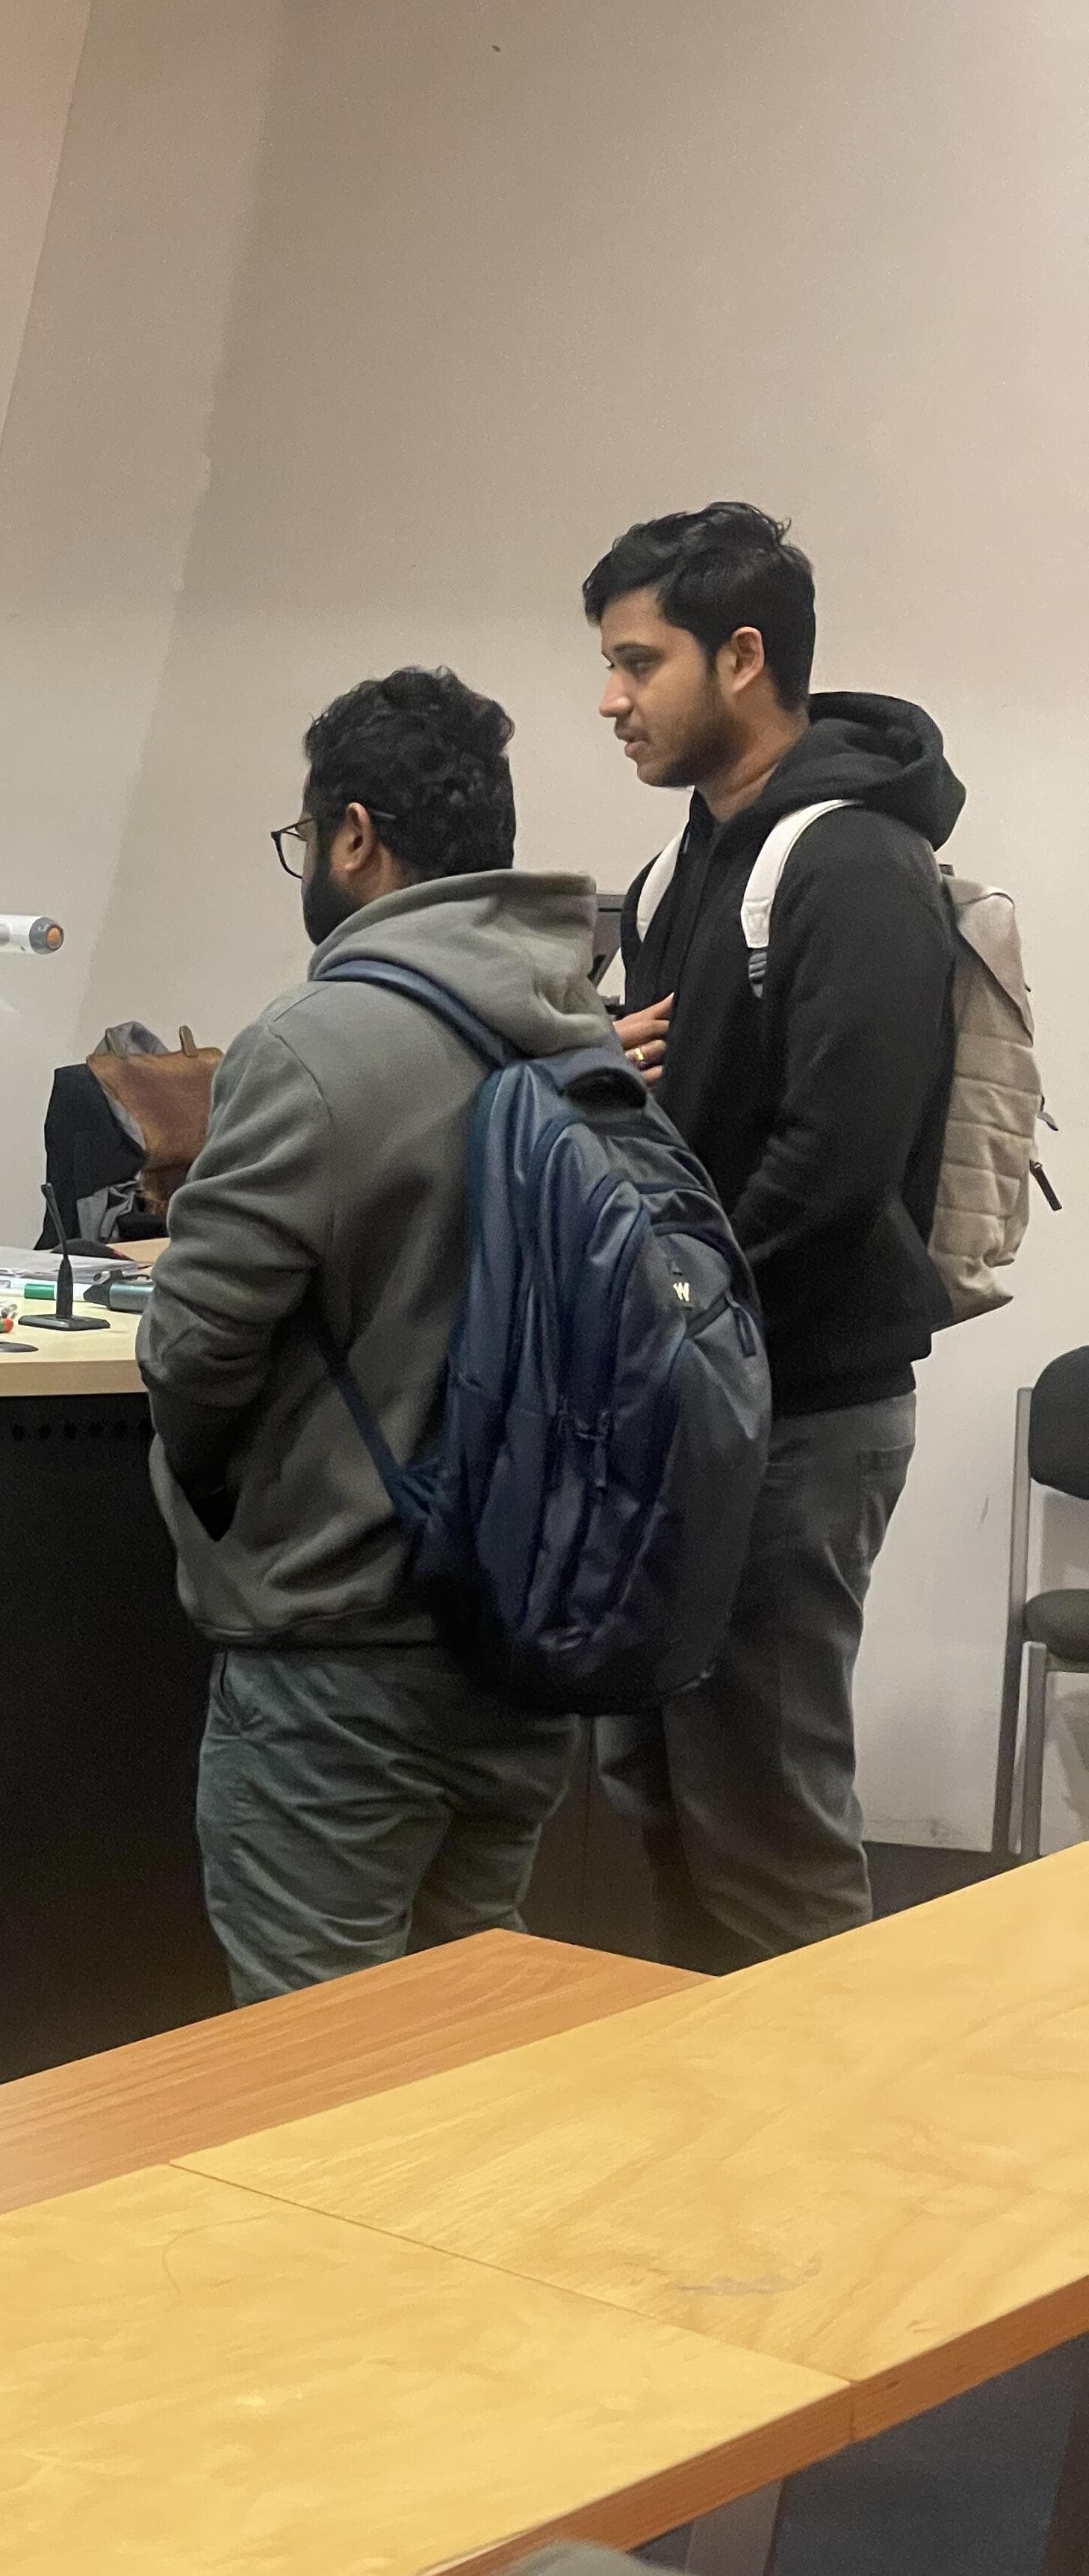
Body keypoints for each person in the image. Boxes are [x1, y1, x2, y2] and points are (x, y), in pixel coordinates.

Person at [139, 668, 606, 2000]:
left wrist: (221, 1498)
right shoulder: (579, 1030)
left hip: (338, 1646)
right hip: (524, 1635)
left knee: (313, 2064)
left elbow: (194, 1349)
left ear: (355, 835)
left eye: (306, 836)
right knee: (463, 2031)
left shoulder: (316, 1040)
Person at [587, 504, 960, 1972]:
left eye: (639, 662)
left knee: (768, 1826)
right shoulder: (685, 868)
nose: (611, 699)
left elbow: (835, 1165)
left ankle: (822, 2117)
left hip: (796, 1411)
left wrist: (667, 1314)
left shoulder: (853, 861)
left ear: (742, 656)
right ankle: (703, 2103)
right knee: (665, 1800)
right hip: (698, 1398)